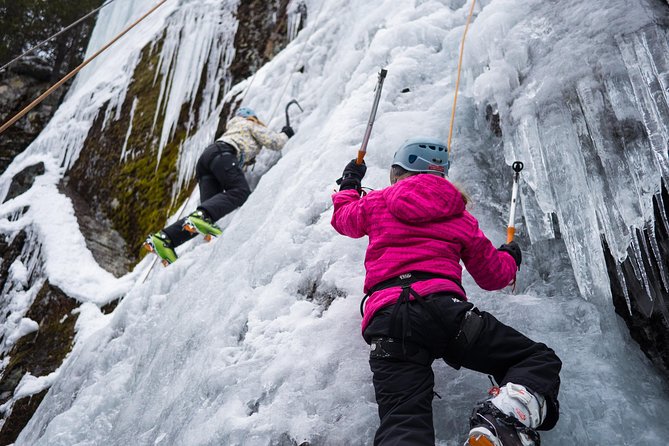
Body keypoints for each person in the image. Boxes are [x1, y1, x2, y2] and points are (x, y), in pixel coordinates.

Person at [330, 137, 562, 446]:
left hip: (389, 323)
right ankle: (504, 419)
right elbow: (493, 276)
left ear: (399, 173)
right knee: (536, 359)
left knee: (402, 418)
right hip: (447, 313)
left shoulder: (377, 203)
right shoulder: (460, 217)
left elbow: (343, 219)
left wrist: (349, 182)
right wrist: (510, 256)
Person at [144, 107, 294, 264]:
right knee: (240, 192)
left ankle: (165, 239)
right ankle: (196, 220)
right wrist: (286, 133)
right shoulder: (249, 124)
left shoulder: (232, 130)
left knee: (207, 216)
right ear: (252, 118)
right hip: (223, 154)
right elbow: (275, 142)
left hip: (206, 160)